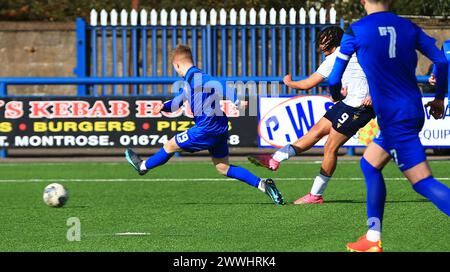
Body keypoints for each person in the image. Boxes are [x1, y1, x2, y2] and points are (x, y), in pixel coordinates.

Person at [327, 0, 450, 252]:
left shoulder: (355, 31)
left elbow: (335, 79)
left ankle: (373, 240)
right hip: (410, 109)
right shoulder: (408, 27)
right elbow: (441, 60)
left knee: (422, 182)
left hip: (395, 117)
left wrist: (337, 99)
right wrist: (440, 97)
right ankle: (372, 239)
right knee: (369, 164)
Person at [125, 44, 284, 205]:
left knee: (170, 145)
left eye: (175, 68)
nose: (176, 71)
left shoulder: (197, 78)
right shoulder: (189, 82)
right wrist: (164, 106)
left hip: (207, 128)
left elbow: (220, 84)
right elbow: (177, 102)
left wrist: (236, 101)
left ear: (177, 64)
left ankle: (143, 166)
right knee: (222, 167)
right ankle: (263, 184)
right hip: (219, 127)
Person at [248, 26, 375, 204]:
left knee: (330, 147)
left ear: (332, 41)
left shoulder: (336, 57)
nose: (321, 44)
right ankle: (274, 159)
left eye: (324, 40)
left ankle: (316, 195)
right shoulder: (346, 53)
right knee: (315, 132)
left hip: (359, 107)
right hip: (346, 102)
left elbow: (308, 83)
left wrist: (289, 82)